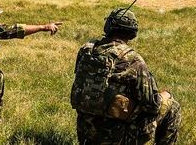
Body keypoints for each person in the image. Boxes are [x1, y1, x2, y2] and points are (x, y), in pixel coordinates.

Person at [71, 8, 181, 145]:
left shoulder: (86, 50)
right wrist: (166, 95)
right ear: (132, 32)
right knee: (172, 106)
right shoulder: (133, 59)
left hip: (86, 134)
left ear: (109, 27)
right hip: (119, 137)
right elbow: (152, 105)